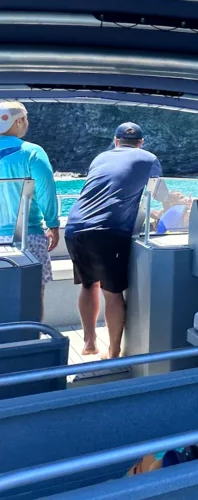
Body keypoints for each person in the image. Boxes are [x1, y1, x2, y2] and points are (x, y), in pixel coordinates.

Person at [65, 123, 162, 358]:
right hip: (108, 230)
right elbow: (159, 194)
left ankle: (89, 343)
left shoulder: (100, 157)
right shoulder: (149, 158)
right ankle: (114, 352)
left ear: (116, 141)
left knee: (89, 285)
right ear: (141, 142)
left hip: (75, 226)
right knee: (112, 292)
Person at [0, 102, 61, 320]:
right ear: (18, 121)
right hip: (29, 235)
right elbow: (46, 190)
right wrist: (53, 224)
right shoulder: (32, 152)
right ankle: (30, 343)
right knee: (33, 294)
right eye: (25, 118)